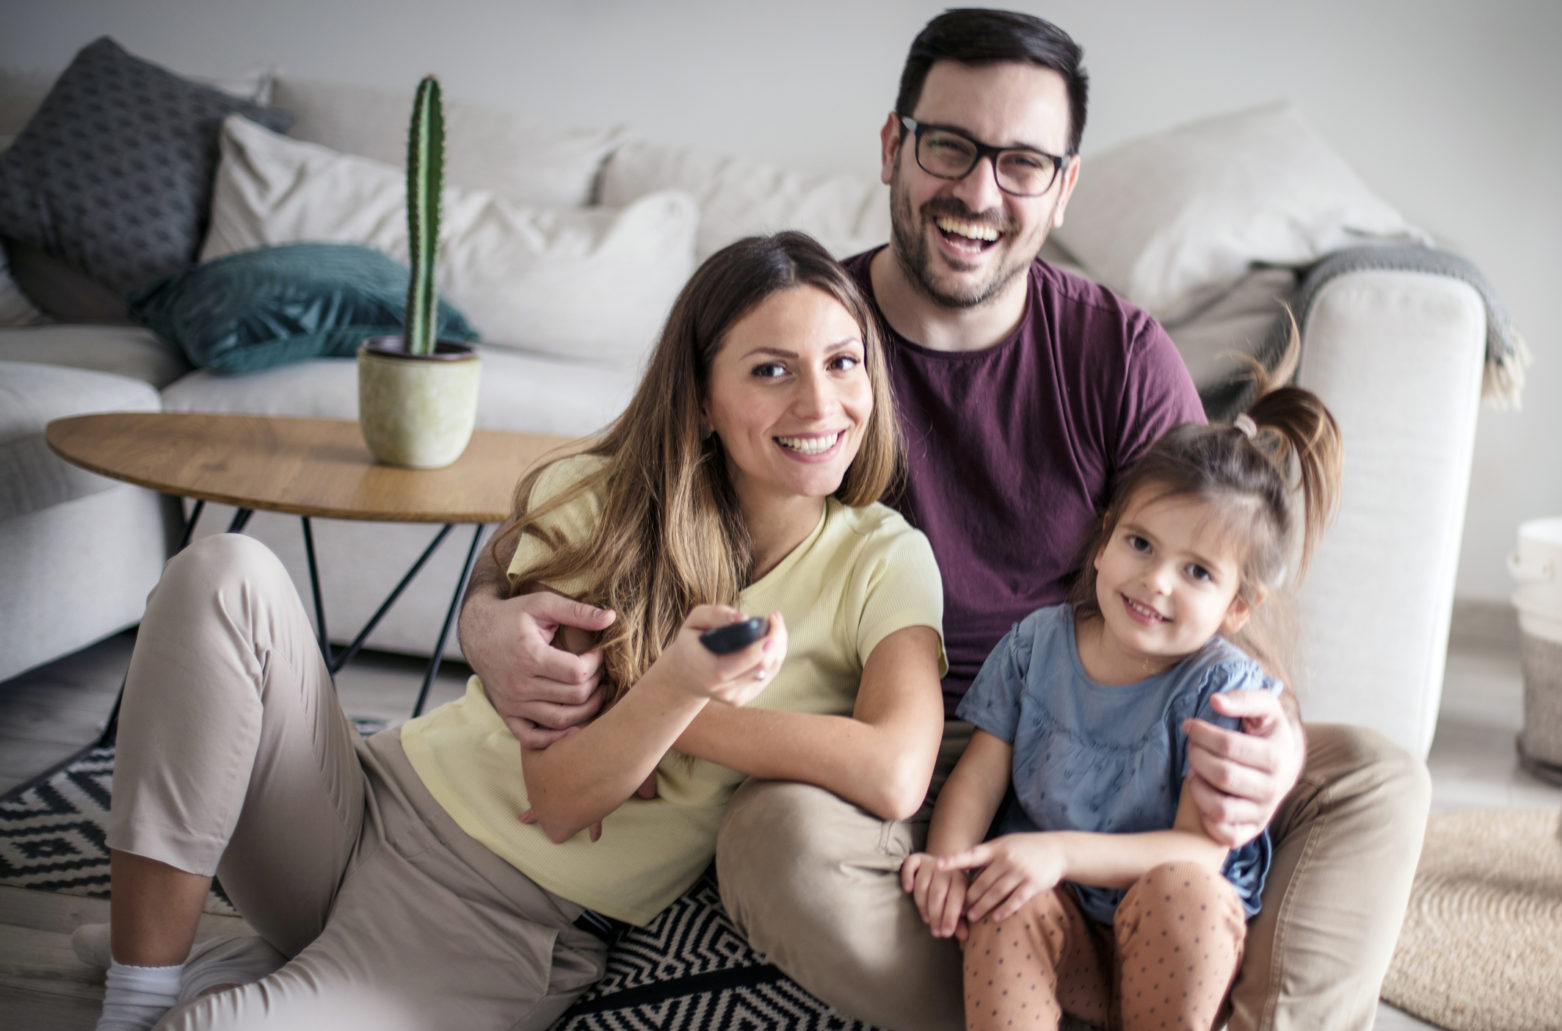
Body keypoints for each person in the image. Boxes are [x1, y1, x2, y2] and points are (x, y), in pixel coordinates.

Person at [461, 10, 1430, 1031]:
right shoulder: (808, 336)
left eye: (1020, 163)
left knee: (1377, 779)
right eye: (949, 146)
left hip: (1126, 733)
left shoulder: (1117, 352)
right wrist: (485, 619)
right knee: (770, 839)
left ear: (1061, 189)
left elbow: (1211, 578)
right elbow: (613, 490)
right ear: (892, 145)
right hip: (907, 770)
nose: (976, 192)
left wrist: (1267, 734)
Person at [83, 231, 947, 1031]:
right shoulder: (597, 499)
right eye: (771, 370)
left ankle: (265, 975)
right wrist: (671, 689)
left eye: (843, 362)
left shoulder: (882, 559)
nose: (821, 401)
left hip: (498, 922)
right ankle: (142, 987)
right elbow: (562, 782)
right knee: (221, 573)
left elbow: (896, 771)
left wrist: (671, 697)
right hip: (363, 802)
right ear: (703, 399)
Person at [904, 334, 1344, 1030]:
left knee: (1185, 892)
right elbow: (980, 776)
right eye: (1141, 544)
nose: (1156, 581)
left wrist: (1056, 851)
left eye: (1198, 571)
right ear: (1105, 540)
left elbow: (1198, 849)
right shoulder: (1038, 643)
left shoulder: (1221, 690)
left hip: (1170, 935)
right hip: (1060, 923)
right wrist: (949, 859)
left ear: (1237, 607)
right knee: (1002, 896)